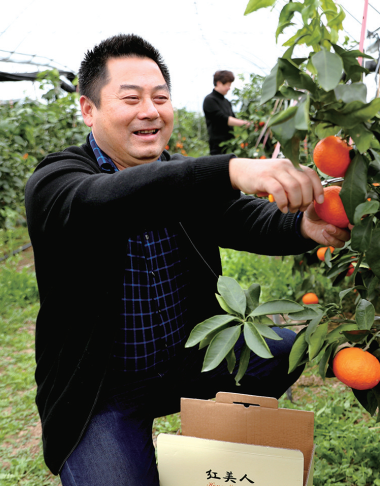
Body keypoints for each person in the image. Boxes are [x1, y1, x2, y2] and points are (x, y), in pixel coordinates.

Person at [24, 34, 349, 485]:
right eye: (131, 98)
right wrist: (232, 169)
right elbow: (107, 200)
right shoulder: (57, 182)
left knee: (290, 350)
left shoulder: (182, 179)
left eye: (160, 98)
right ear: (88, 109)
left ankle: (209, 436)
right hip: (102, 390)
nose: (150, 111)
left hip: (190, 360)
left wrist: (303, 228)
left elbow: (243, 218)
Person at [203, 70, 250, 155]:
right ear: (218, 83)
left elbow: (233, 119)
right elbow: (222, 118)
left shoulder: (227, 102)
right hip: (218, 146)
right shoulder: (209, 100)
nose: (229, 88)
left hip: (231, 144)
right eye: (227, 85)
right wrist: (244, 123)